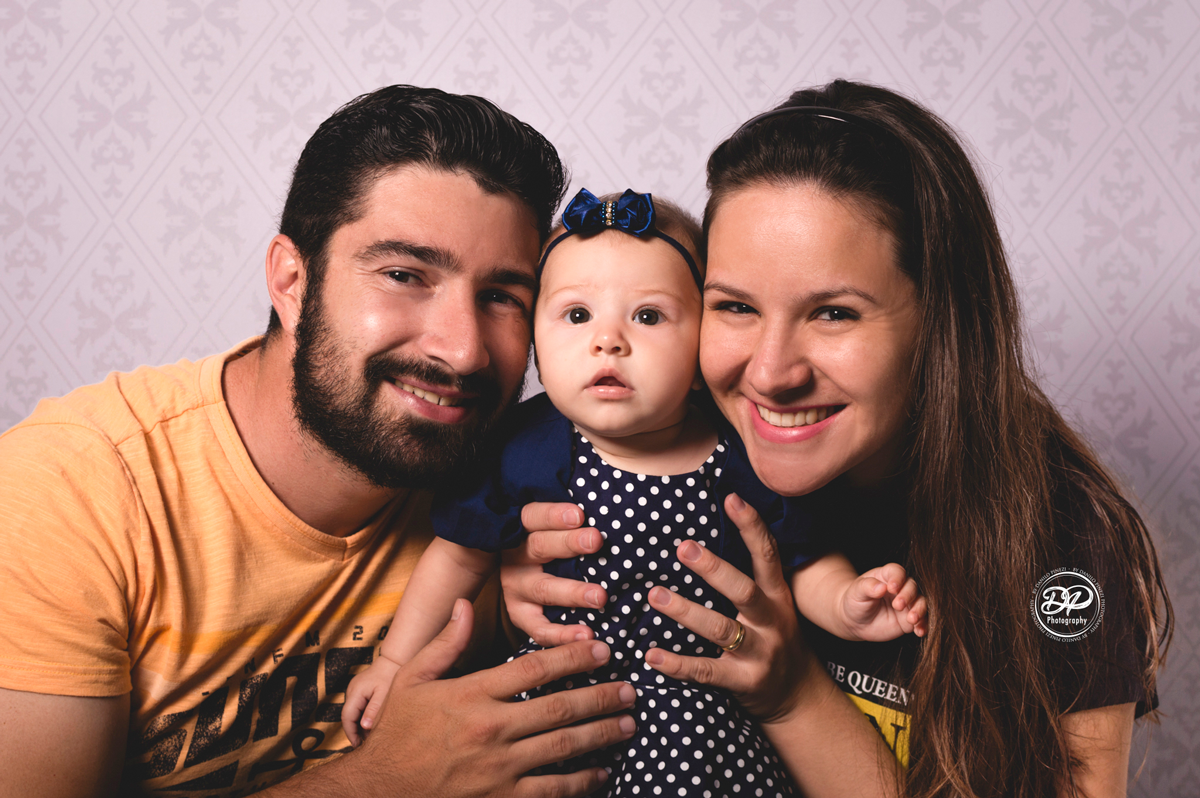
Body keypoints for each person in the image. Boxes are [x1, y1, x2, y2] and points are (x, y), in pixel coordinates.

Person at [505, 80, 1172, 798]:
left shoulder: (1057, 534)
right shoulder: (656, 463)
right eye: (734, 306)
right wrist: (510, 583)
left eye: (832, 314)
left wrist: (792, 696)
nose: (770, 372)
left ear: (942, 321)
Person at [0, 85, 642, 798]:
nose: (463, 351)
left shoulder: (519, 480)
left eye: (503, 298)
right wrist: (384, 782)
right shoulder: (67, 493)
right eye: (404, 276)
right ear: (292, 279)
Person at [339, 187, 927, 795]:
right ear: (537, 339)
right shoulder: (526, 447)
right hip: (560, 685)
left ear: (702, 339)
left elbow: (794, 564)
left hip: (692, 706)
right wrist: (393, 663)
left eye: (648, 316)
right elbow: (457, 557)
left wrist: (849, 606)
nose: (608, 340)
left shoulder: (742, 452)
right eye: (576, 315)